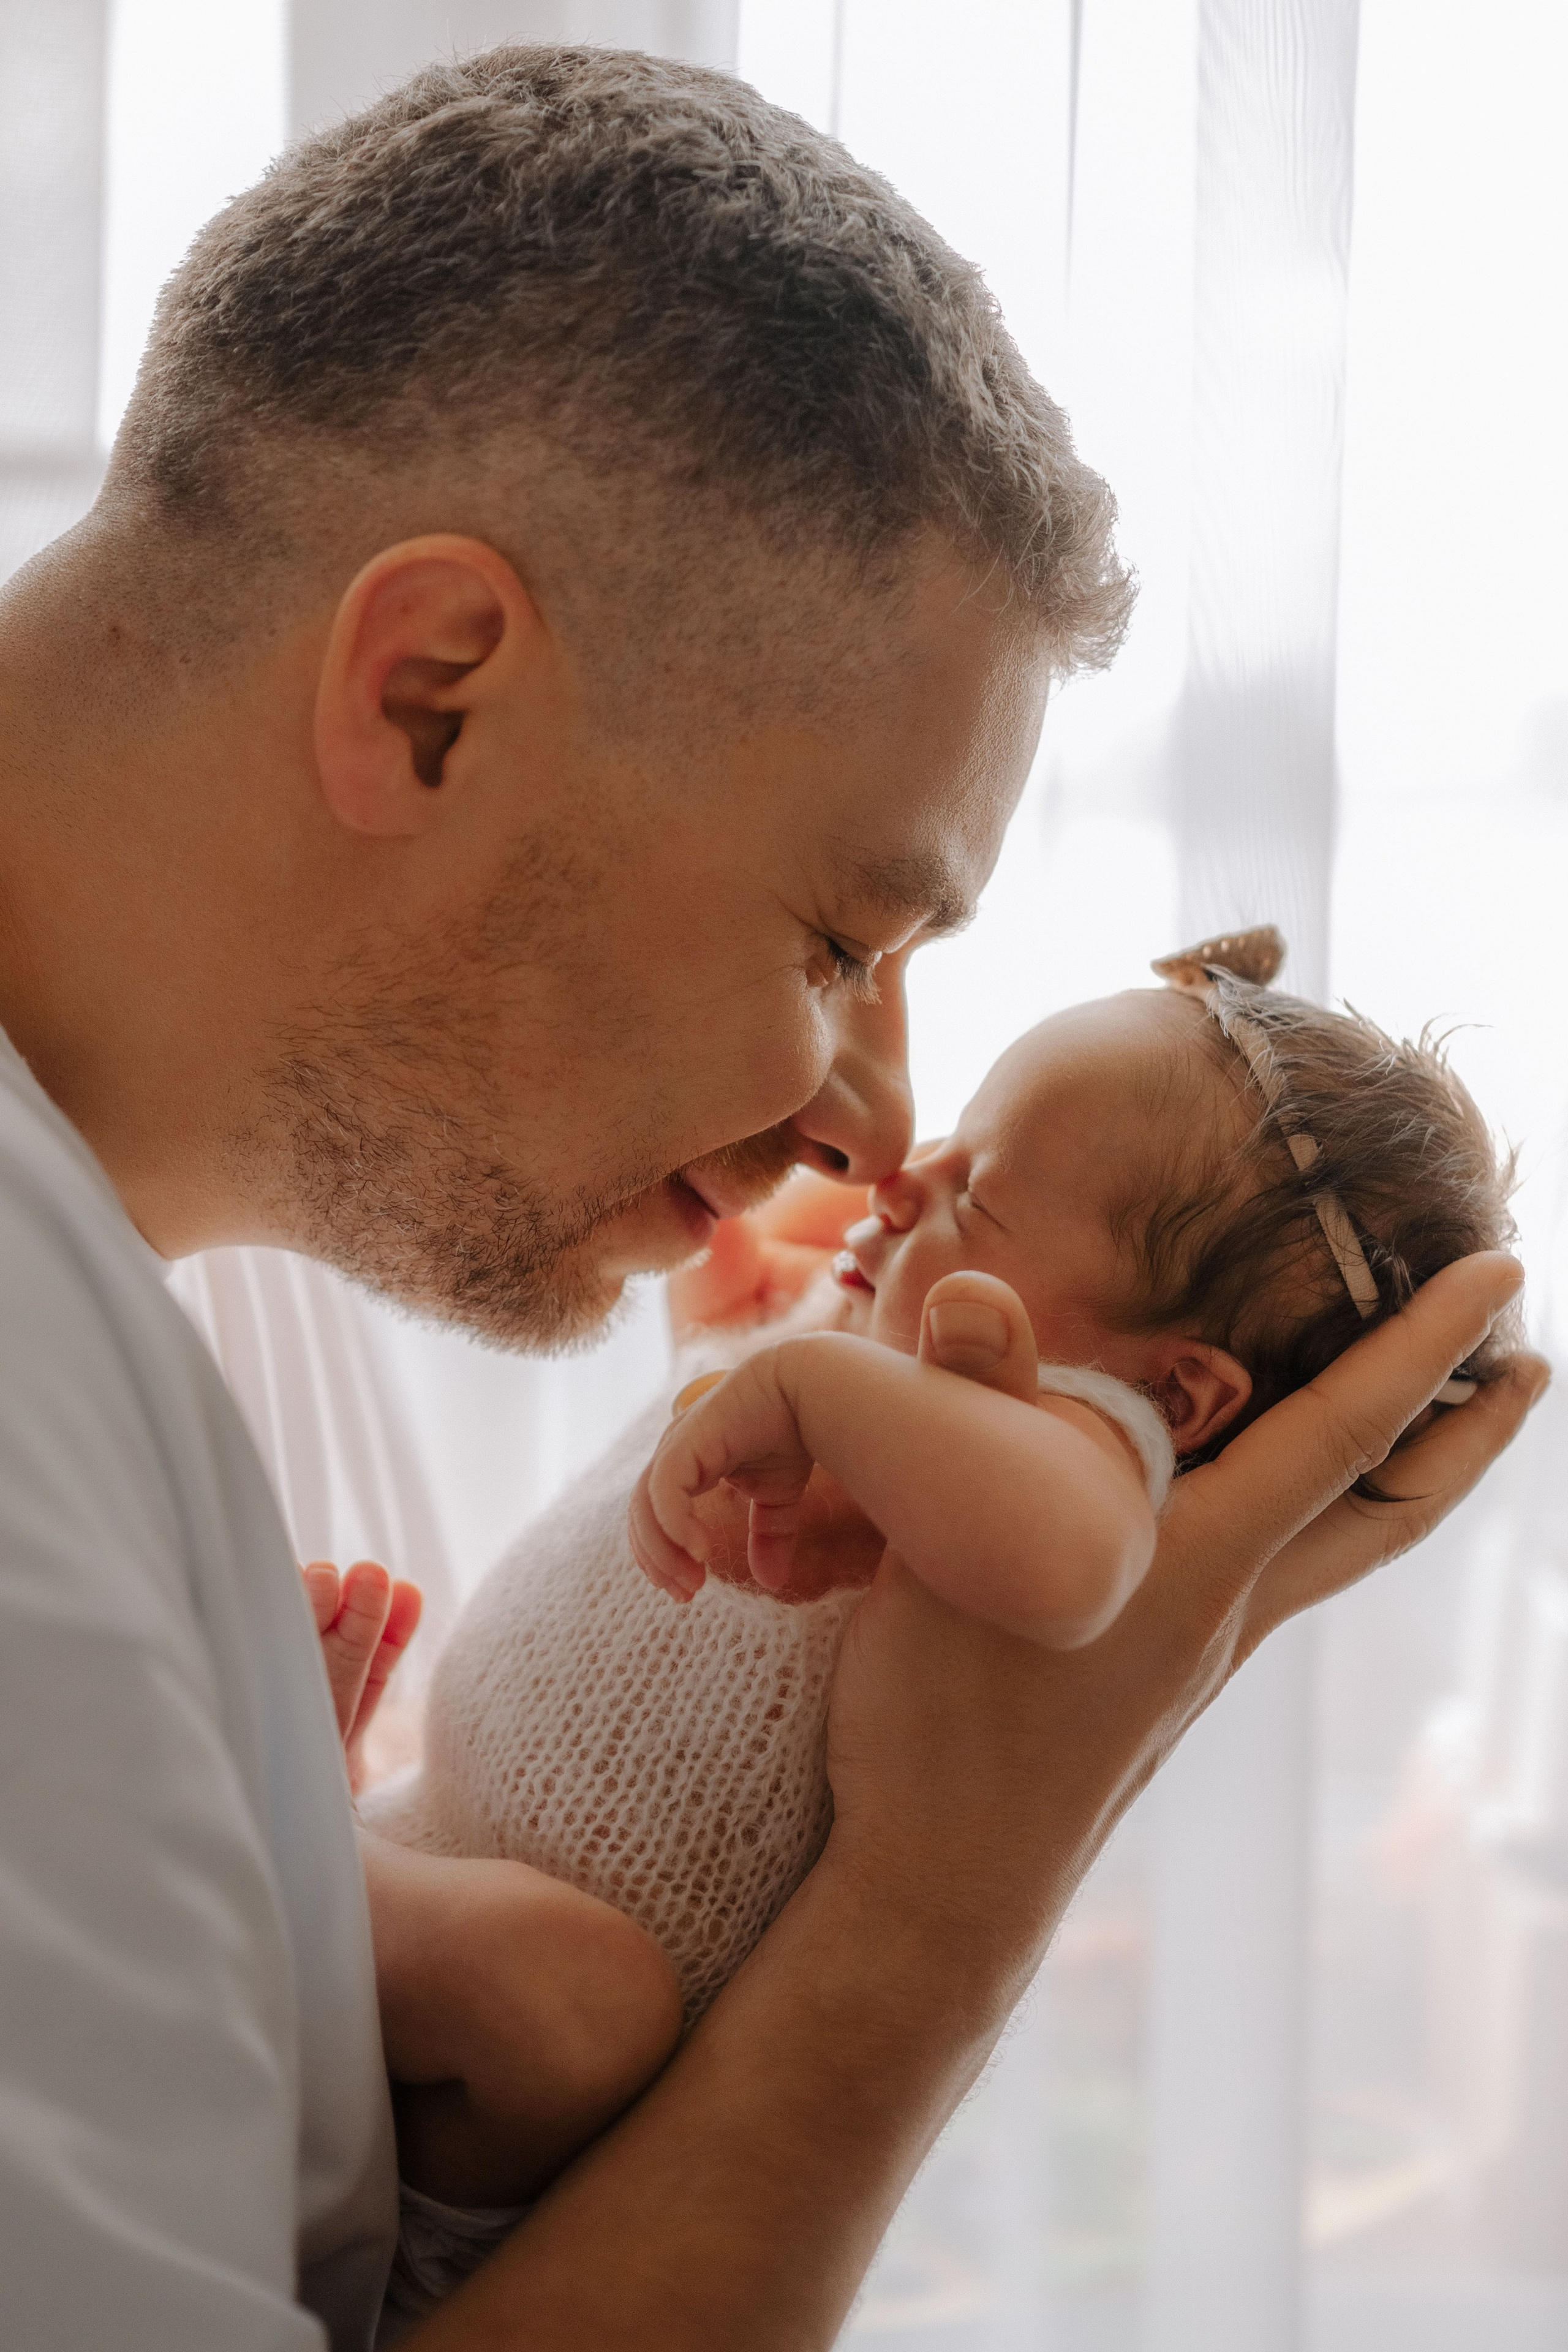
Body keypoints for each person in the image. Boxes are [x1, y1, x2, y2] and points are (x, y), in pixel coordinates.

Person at [0, 39, 1542, 2352]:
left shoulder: (144, 1312)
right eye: (841, 941)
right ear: (431, 695)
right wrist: (945, 1901)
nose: (865, 1127)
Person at [330, 933, 1519, 2325]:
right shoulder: (877, 1339)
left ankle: (290, 1839)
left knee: (572, 1999)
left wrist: (822, 1393)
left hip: (512, 2135)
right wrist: (742, 1336)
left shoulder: (1072, 1436)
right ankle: (326, 1831)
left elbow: (1072, 1571)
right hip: (439, 1870)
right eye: (952, 1137)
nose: (908, 1176)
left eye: (983, 1192)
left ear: (1177, 1394)